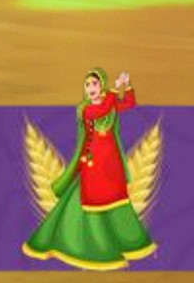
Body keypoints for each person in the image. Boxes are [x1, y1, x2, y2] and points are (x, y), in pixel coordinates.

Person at [25, 70, 156, 268]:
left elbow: (128, 104)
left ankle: (125, 239)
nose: (90, 88)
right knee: (92, 197)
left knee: (116, 197)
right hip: (93, 162)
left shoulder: (109, 105)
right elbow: (100, 111)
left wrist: (127, 86)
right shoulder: (84, 109)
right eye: (87, 85)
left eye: (94, 84)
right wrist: (114, 90)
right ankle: (91, 244)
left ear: (101, 85)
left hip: (111, 163)